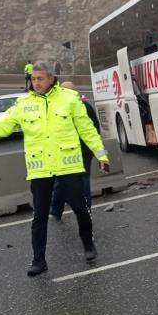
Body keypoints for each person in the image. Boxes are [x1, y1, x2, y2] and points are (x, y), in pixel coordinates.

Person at [0, 62, 109, 277]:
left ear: (51, 78)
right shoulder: (23, 103)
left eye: (40, 78)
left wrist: (101, 155)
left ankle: (88, 244)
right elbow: (2, 126)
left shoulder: (69, 99)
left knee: (80, 207)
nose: (36, 82)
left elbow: (87, 130)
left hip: (69, 164)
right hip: (40, 169)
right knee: (40, 216)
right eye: (34, 79)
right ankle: (39, 260)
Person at [50, 81, 99, 221]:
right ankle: (85, 210)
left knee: (61, 181)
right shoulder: (86, 107)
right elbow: (96, 129)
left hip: (69, 151)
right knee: (83, 181)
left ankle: (56, 211)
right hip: (85, 151)